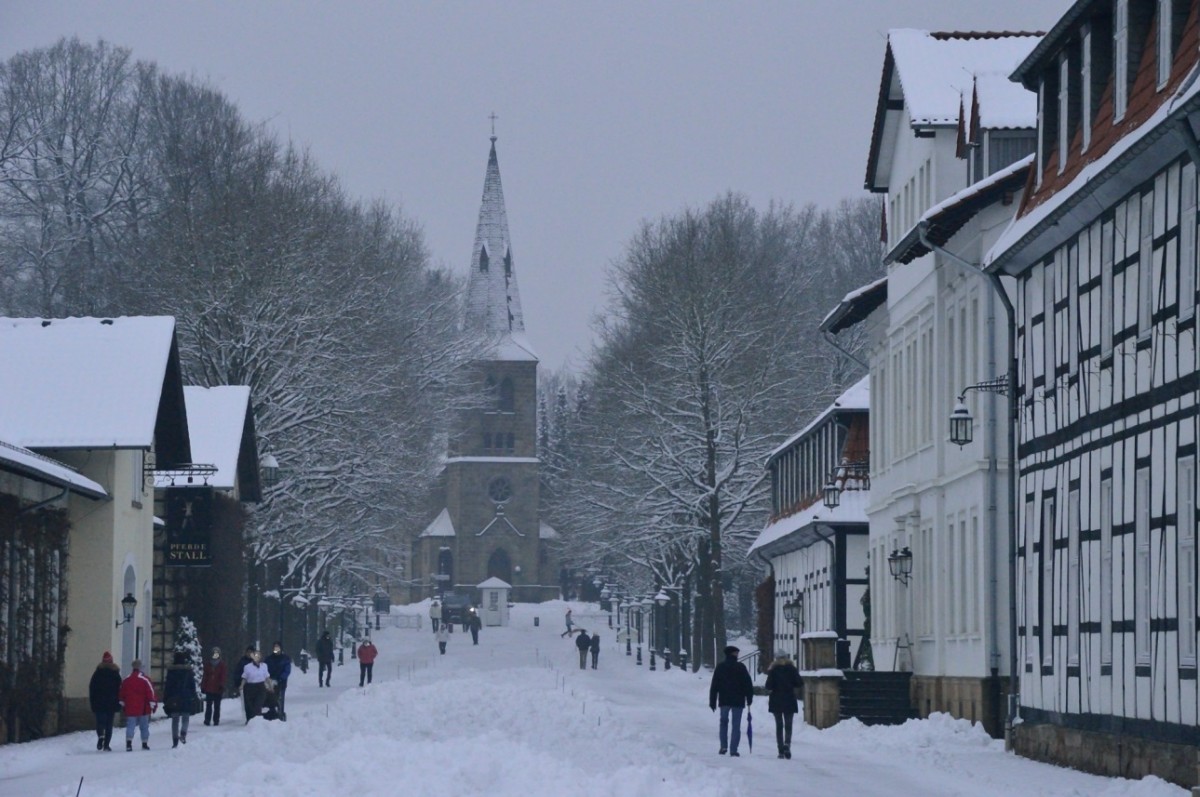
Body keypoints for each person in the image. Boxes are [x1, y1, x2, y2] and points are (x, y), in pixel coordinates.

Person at [708, 645, 753, 757]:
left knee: (723, 723)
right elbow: (748, 684)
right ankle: (733, 749)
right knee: (736, 725)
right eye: (736, 653)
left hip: (724, 699)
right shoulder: (741, 667)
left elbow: (714, 685)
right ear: (733, 654)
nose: (737, 655)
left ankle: (723, 746)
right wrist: (749, 697)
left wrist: (712, 700)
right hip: (738, 699)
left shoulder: (720, 667)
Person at [765, 653, 802, 759]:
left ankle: (780, 750)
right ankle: (787, 744)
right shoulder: (792, 669)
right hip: (789, 698)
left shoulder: (773, 670)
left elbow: (768, 686)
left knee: (779, 725)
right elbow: (799, 683)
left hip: (776, 699)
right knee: (788, 725)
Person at [118, 659, 157, 751]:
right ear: (140, 668)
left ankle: (128, 743)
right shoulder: (145, 680)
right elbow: (150, 693)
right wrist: (153, 703)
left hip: (130, 707)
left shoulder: (126, 680)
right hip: (143, 708)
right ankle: (144, 743)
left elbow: (121, 694)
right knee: (144, 726)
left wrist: (123, 704)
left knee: (130, 725)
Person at [164, 651, 198, 748]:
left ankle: (175, 740)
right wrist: (193, 696)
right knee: (185, 718)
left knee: (175, 720)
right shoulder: (188, 671)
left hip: (173, 697)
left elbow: (168, 686)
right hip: (186, 697)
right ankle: (183, 734)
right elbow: (192, 685)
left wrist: (166, 698)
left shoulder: (171, 671)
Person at [88, 651, 121, 751]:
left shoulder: (97, 673)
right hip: (111, 702)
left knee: (100, 722)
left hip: (99, 702)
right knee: (109, 724)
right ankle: (106, 745)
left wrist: (92, 702)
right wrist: (119, 702)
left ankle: (100, 736)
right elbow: (120, 689)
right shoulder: (115, 674)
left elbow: (92, 688)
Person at [264, 641, 293, 721]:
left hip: (280, 682)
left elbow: (287, 671)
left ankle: (276, 710)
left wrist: (280, 678)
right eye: (275, 648)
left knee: (277, 693)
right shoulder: (268, 659)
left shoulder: (285, 659)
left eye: (278, 648)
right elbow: (264, 669)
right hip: (269, 681)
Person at [241, 650, 270, 723]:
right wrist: (241, 685)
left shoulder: (264, 666)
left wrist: (270, 686)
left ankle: (257, 721)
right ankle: (250, 720)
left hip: (260, 687)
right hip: (250, 687)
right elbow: (244, 677)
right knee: (250, 706)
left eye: (258, 655)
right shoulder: (247, 667)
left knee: (258, 705)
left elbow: (267, 677)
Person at [201, 647, 227, 726]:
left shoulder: (222, 665)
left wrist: (221, 685)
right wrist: (203, 686)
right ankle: (207, 720)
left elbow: (223, 676)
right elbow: (205, 676)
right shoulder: (208, 664)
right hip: (209, 687)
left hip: (217, 688)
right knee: (209, 705)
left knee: (217, 706)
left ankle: (216, 720)